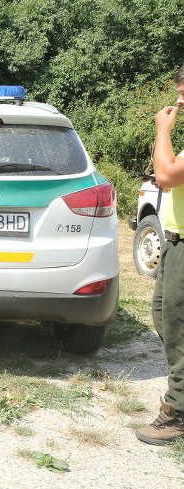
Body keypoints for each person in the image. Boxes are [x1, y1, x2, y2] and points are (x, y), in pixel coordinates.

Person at [137, 64, 184, 445]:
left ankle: (177, 414)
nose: (180, 100)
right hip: (174, 242)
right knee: (164, 317)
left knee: (179, 326)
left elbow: (166, 175)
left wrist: (162, 129)